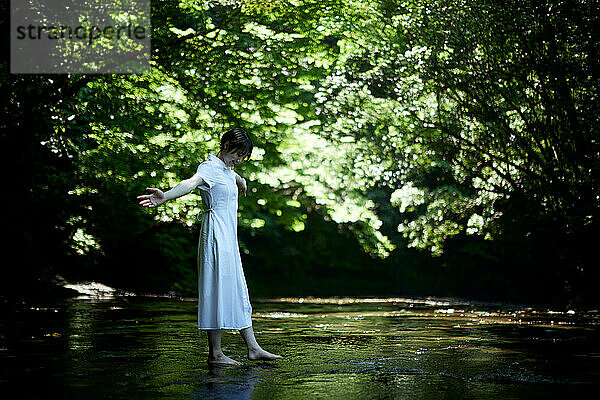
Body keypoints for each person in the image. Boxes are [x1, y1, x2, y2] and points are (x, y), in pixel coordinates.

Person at [137, 128, 282, 365]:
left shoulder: (227, 170)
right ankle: (216, 353)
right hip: (215, 236)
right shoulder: (208, 168)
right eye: (238, 153)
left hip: (228, 238)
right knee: (217, 287)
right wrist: (166, 196)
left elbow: (230, 176)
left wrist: (241, 180)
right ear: (225, 145)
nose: (239, 159)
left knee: (236, 287)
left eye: (244, 156)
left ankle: (253, 348)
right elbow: (190, 183)